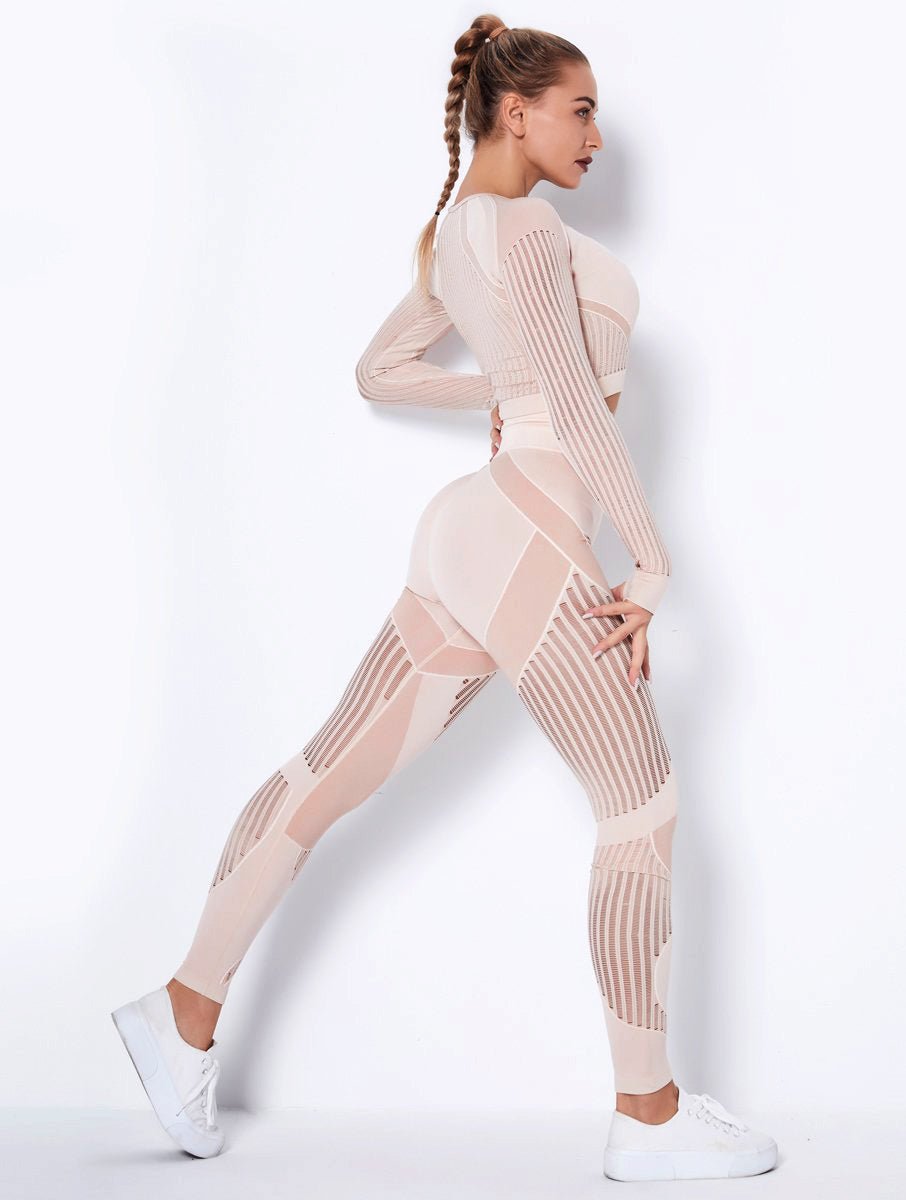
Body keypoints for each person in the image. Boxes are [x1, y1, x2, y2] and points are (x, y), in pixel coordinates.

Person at [110, 16, 778, 1182]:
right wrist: (652, 562)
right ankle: (650, 1117)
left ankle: (182, 1011)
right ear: (517, 112)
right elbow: (575, 413)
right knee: (642, 807)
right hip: (530, 533)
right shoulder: (527, 225)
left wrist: (507, 394)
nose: (598, 135)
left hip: (473, 534)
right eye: (581, 110)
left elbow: (382, 373)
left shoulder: (455, 235)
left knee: (322, 774)